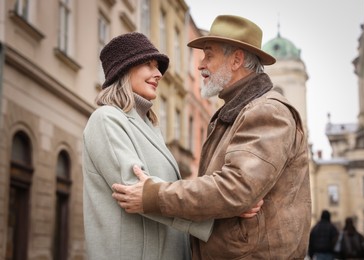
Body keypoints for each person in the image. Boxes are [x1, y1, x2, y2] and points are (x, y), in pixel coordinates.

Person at [112, 15, 311, 259]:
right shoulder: (238, 111)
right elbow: (236, 191)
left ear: (237, 59)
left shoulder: (266, 110)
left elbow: (236, 187)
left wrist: (154, 195)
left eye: (209, 55)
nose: (200, 64)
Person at [82, 32, 216, 260]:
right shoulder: (106, 119)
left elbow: (157, 192)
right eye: (148, 65)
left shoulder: (149, 127)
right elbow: (135, 191)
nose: (158, 74)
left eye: (158, 67)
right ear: (124, 69)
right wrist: (217, 220)